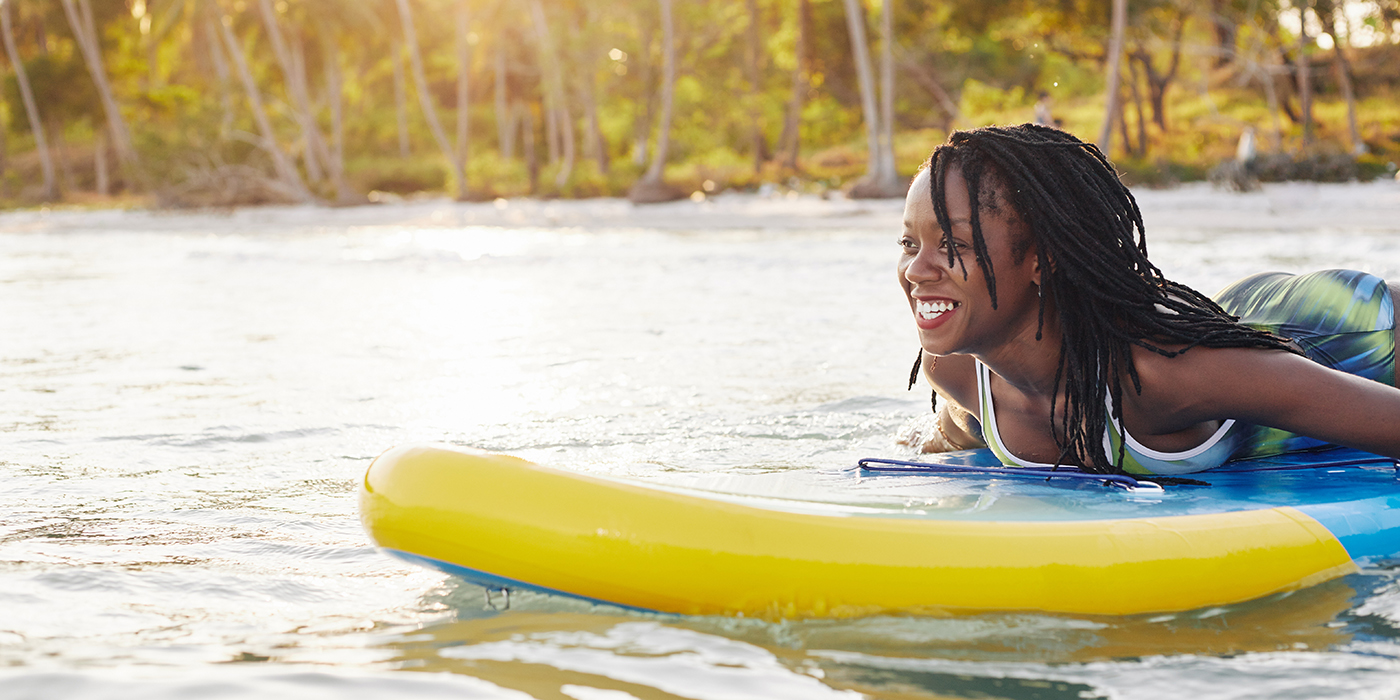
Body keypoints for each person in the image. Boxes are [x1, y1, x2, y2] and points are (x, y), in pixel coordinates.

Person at [899, 123, 1400, 476]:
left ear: (1042, 257)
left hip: (1341, 330)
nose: (917, 270)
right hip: (1226, 323)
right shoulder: (953, 369)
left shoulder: (1162, 375)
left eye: (953, 245)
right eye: (908, 244)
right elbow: (960, 425)